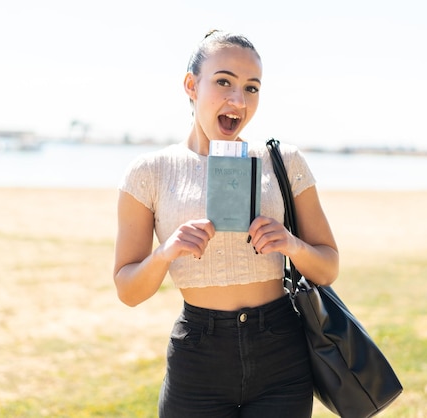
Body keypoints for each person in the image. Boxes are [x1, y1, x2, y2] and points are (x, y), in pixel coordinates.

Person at [114, 29, 339, 418]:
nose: (238, 100)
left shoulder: (284, 162)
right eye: (223, 82)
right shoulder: (149, 172)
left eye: (252, 88)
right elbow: (128, 290)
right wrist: (166, 253)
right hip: (197, 359)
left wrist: (290, 243)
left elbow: (328, 266)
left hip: (281, 354)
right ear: (191, 85)